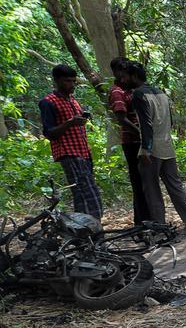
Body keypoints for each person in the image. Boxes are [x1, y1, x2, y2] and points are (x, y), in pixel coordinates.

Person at [127, 61, 186, 232]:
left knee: (152, 189)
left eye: (126, 76)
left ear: (134, 76)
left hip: (152, 149)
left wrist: (146, 149)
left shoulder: (138, 94)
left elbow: (146, 124)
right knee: (176, 186)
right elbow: (171, 121)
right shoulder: (161, 92)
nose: (125, 80)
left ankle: (160, 227)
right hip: (168, 145)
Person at [39, 64, 102, 220]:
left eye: (74, 81)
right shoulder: (48, 102)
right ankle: (95, 232)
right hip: (68, 152)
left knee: (82, 194)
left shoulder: (73, 100)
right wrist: (70, 123)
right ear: (57, 81)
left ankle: (84, 233)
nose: (72, 85)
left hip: (83, 152)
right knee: (89, 194)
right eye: (68, 81)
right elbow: (49, 132)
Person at [107, 58, 150, 224]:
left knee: (146, 182)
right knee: (138, 183)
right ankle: (141, 223)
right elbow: (121, 118)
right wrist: (141, 133)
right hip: (132, 142)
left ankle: (147, 219)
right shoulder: (117, 92)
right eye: (123, 71)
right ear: (117, 73)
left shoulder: (131, 90)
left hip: (140, 140)